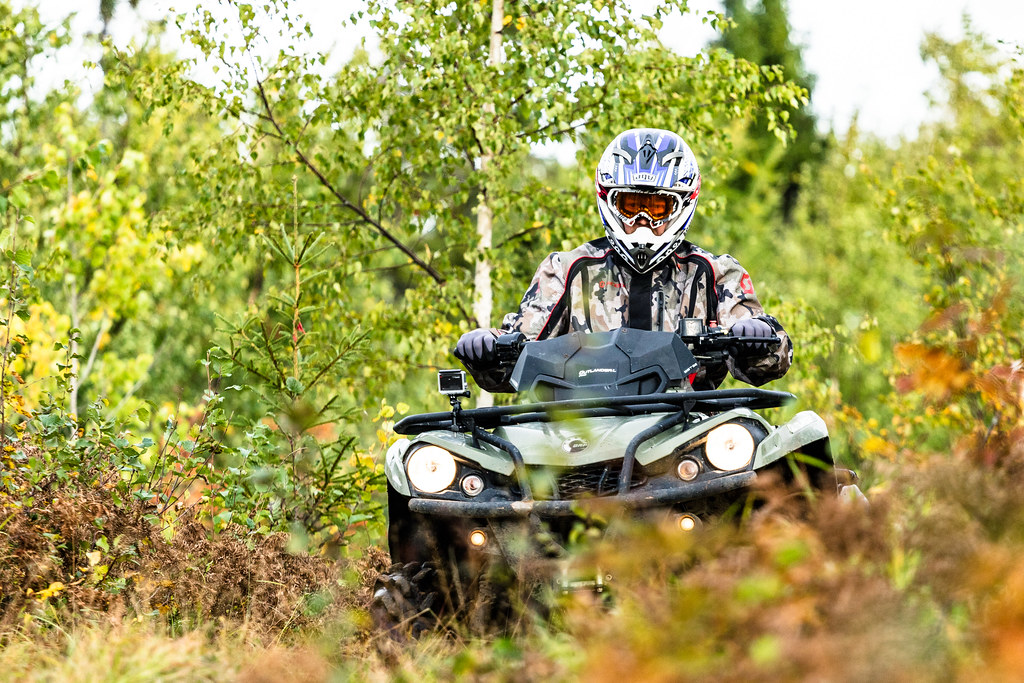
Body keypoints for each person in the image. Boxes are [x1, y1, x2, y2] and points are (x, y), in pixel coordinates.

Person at [456, 127, 793, 392]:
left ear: (682, 205)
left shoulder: (714, 273)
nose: (643, 219)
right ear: (610, 201)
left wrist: (756, 336)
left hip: (688, 427)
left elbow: (771, 358)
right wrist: (485, 346)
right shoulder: (567, 269)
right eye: (631, 205)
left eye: (658, 207)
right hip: (577, 428)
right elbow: (519, 348)